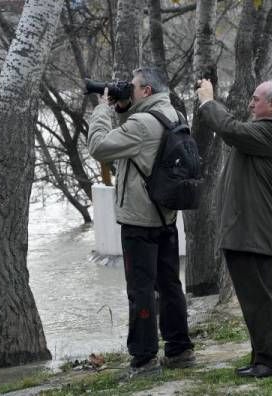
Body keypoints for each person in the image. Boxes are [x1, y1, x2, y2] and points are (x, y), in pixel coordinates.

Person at [87, 67, 195, 376]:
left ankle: (144, 359)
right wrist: (122, 108)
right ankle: (179, 350)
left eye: (131, 87)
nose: (127, 90)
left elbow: (99, 147)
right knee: (170, 284)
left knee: (141, 290)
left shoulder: (142, 123)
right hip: (165, 216)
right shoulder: (172, 115)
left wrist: (103, 109)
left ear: (146, 91)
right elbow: (138, 144)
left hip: (139, 221)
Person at [195, 79, 272, 378]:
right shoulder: (267, 130)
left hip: (254, 228)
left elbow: (231, 130)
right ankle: (264, 357)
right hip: (249, 228)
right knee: (258, 296)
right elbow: (236, 131)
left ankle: (269, 361)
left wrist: (207, 102)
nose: (250, 104)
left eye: (256, 99)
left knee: (259, 298)